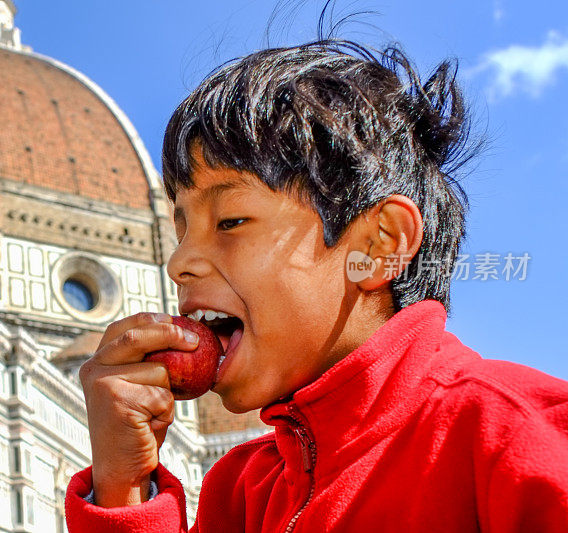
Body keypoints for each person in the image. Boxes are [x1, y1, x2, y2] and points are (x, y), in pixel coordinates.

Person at [64, 36, 568, 532]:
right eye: (180, 232)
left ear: (377, 246)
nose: (179, 263)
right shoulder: (239, 492)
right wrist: (124, 486)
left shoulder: (507, 434)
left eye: (231, 221)